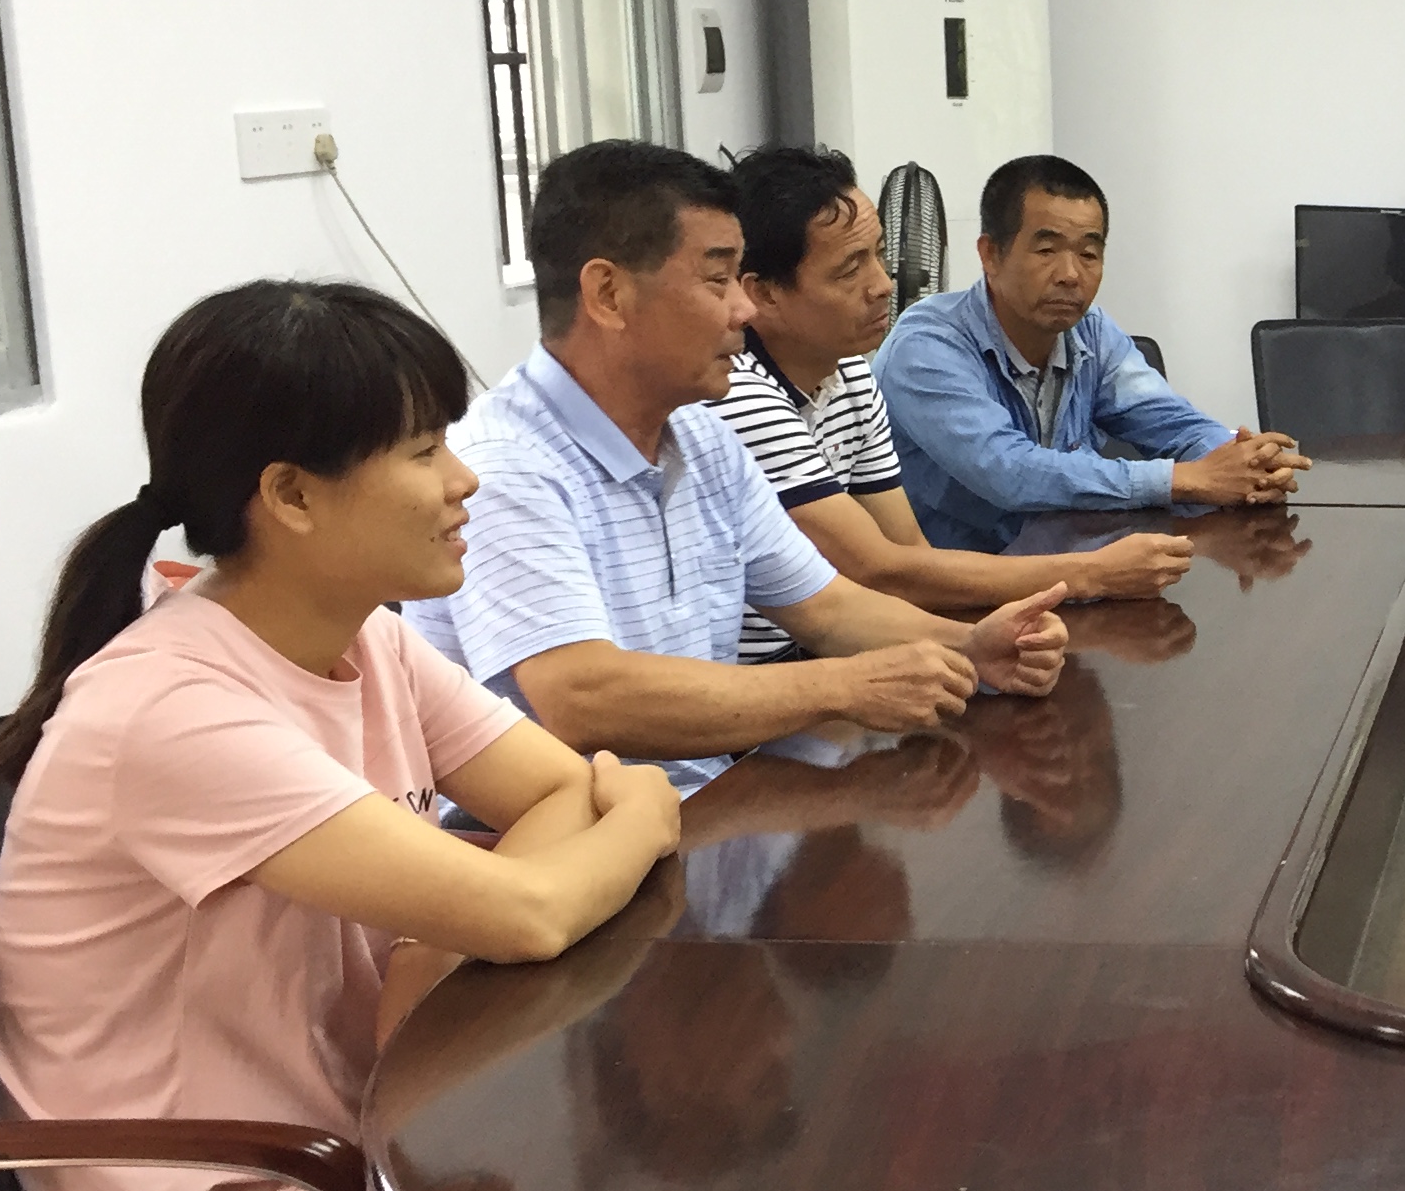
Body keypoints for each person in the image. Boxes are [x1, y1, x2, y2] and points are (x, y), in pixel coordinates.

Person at [0, 280, 683, 1191]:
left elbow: (553, 792)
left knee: (665, 1179)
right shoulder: (172, 711)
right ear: (291, 495)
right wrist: (639, 808)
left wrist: (447, 935)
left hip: (358, 1158)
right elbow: (539, 899)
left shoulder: (368, 642)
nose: (464, 481)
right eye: (424, 451)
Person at [406, 142, 1069, 793]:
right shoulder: (507, 465)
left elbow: (828, 609)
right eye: (717, 280)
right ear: (608, 294)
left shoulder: (700, 435)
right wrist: (842, 687)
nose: (745, 309)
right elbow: (580, 695)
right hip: (566, 841)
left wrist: (971, 647)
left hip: (706, 804)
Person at [719, 144, 1195, 664]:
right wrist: (1090, 574)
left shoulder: (849, 373)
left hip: (841, 644)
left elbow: (907, 557)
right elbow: (881, 571)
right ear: (764, 294)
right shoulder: (742, 394)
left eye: (879, 254)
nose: (884, 284)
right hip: (768, 672)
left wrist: (979, 643)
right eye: (850, 269)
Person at [877, 154, 1309, 552]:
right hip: (950, 592)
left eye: (1088, 253)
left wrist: (1245, 462)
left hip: (1067, 573)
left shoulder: (1091, 332)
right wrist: (1183, 478)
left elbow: (1172, 422)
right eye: (1046, 250)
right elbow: (1009, 472)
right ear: (990, 255)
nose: (1070, 275)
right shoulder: (927, 345)